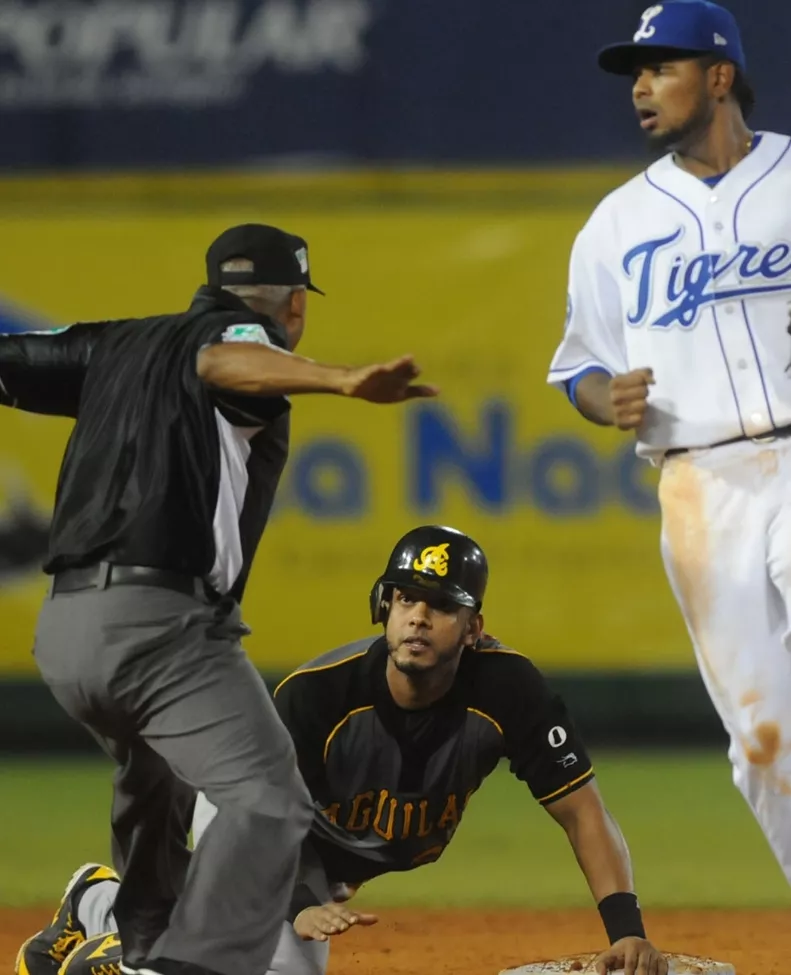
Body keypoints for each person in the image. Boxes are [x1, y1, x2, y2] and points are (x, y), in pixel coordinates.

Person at [6, 223, 438, 975]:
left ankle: (123, 937)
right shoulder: (241, 338)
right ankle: (190, 968)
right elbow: (221, 356)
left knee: (156, 784)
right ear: (295, 303)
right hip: (159, 625)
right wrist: (335, 379)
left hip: (67, 634)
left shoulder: (115, 344)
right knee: (269, 798)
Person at [32, 526, 667, 975]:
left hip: (330, 862)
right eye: (406, 598)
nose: (418, 616)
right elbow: (263, 816)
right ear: (383, 607)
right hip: (247, 816)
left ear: (473, 629)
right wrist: (302, 905)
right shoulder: (319, 696)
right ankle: (119, 955)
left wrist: (627, 930)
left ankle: (94, 898)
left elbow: (583, 810)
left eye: (441, 606)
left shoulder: (510, 691)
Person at [547, 0, 791, 885]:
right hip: (699, 486)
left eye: (661, 67)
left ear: (718, 76)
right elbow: (576, 367)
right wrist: (597, 396)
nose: (641, 88)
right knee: (761, 745)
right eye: (635, 74)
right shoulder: (614, 224)